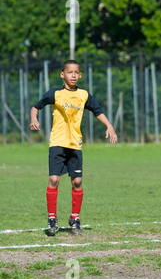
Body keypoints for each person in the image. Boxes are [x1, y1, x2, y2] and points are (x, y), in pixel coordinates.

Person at [30, 60, 118, 236]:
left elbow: (97, 110)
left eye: (76, 72)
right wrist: (34, 119)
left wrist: (109, 126)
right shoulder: (55, 93)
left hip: (75, 145)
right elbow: (36, 107)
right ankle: (52, 218)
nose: (73, 75)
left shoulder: (84, 95)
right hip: (57, 143)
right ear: (62, 74)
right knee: (54, 180)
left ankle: (75, 218)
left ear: (80, 75)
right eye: (70, 72)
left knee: (77, 182)